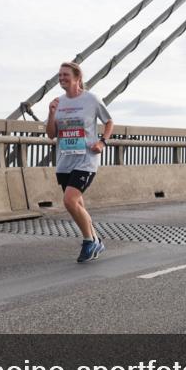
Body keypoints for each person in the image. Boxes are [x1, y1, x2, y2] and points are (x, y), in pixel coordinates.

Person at [46, 62, 113, 262]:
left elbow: (109, 121)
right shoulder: (58, 102)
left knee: (69, 201)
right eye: (59, 75)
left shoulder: (91, 100)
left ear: (77, 78)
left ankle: (88, 241)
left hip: (86, 159)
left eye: (65, 75)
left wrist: (102, 142)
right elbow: (51, 134)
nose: (61, 78)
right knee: (77, 204)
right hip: (64, 161)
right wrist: (51, 113)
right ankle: (95, 240)